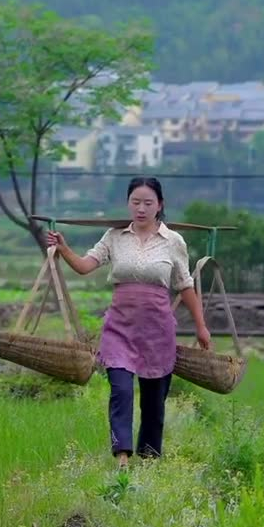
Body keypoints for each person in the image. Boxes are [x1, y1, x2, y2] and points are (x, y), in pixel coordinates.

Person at [46, 177, 211, 468]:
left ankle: (148, 461)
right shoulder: (114, 236)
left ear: (159, 205)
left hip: (157, 329)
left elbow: (185, 286)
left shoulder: (173, 242)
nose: (141, 208)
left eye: (148, 203)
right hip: (120, 326)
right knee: (121, 389)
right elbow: (85, 266)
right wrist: (64, 249)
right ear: (128, 204)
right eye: (136, 202)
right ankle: (122, 455)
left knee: (153, 401)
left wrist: (201, 327)